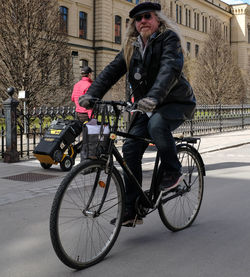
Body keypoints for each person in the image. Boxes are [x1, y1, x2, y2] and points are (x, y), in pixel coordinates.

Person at [79, 2, 196, 226]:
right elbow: (110, 72)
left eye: (147, 16)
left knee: (157, 126)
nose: (143, 20)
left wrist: (153, 97)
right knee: (130, 149)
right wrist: (92, 94)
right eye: (138, 18)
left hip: (175, 101)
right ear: (134, 24)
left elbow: (169, 69)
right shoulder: (131, 47)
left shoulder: (168, 39)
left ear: (157, 19)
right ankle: (132, 210)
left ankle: (173, 170)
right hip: (147, 104)